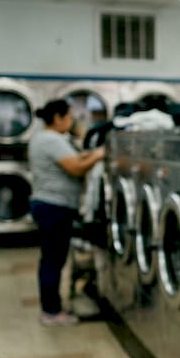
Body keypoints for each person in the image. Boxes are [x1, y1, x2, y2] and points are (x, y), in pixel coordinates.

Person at [28, 99, 105, 326]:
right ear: (57, 118)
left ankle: (51, 308)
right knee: (53, 260)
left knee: (52, 259)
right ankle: (51, 312)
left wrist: (93, 153)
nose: (72, 122)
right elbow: (75, 167)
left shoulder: (46, 138)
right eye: (69, 117)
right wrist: (100, 155)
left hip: (50, 205)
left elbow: (76, 158)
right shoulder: (51, 140)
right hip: (54, 206)